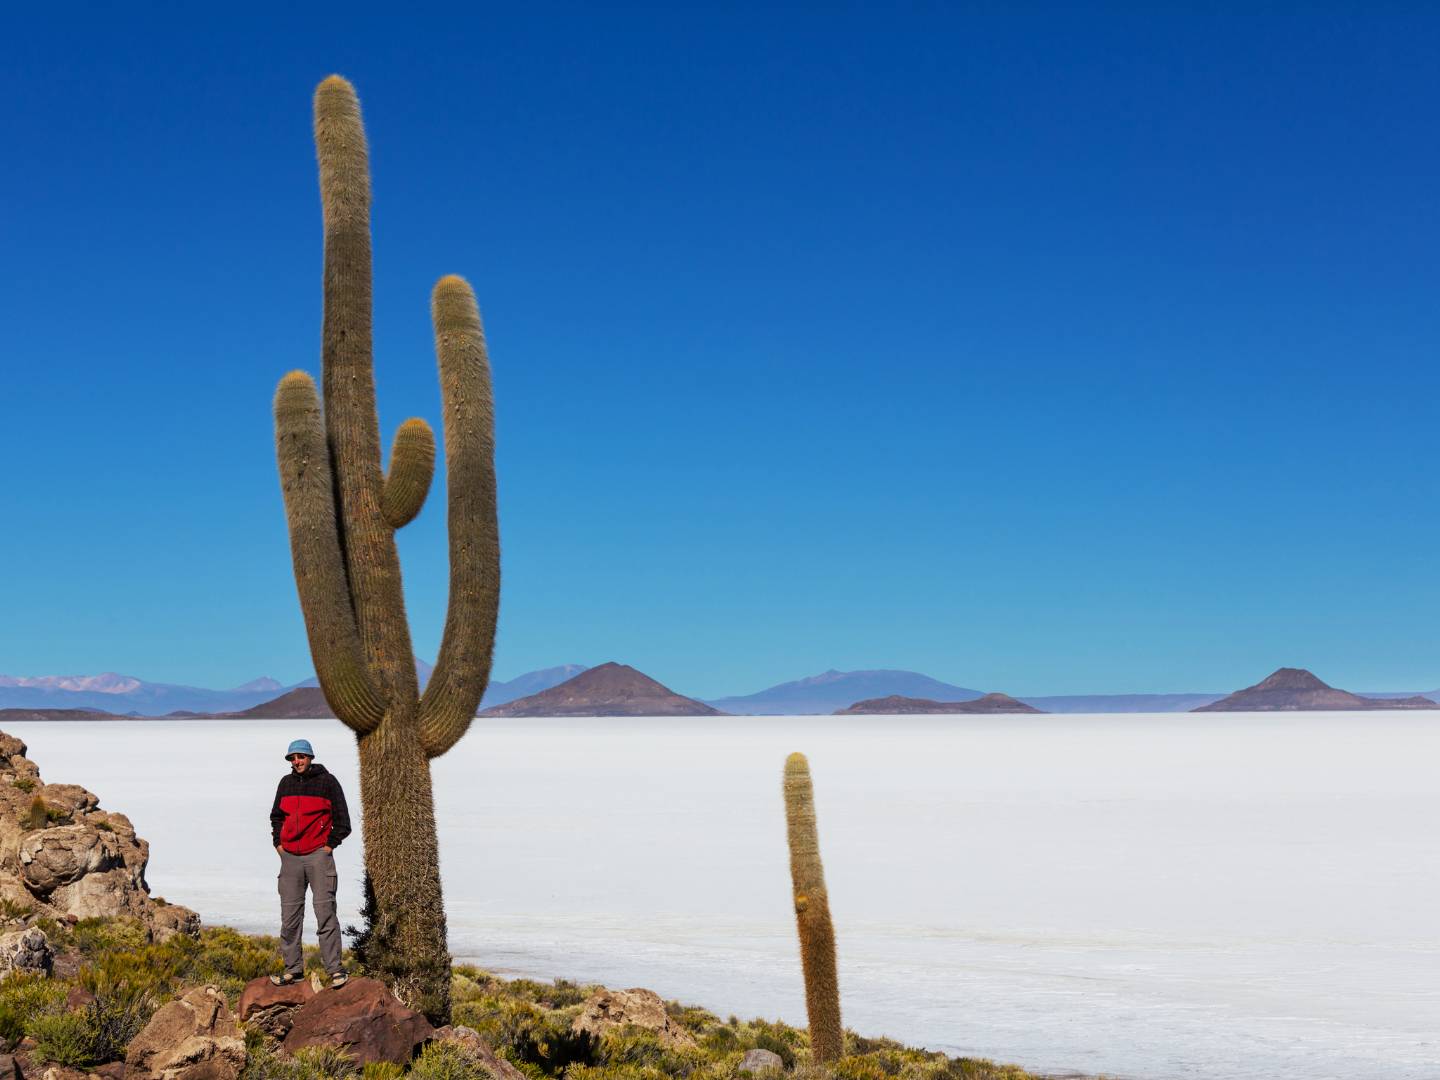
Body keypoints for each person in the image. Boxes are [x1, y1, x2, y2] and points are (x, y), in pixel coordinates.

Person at [268, 738, 351, 987]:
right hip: (290, 858)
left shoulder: (328, 782)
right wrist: (279, 844)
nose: (297, 762)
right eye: (293, 758)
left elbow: (343, 820)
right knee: (290, 917)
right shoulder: (286, 783)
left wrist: (328, 846)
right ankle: (293, 970)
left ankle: (335, 970)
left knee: (325, 913)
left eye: (301, 757)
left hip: (318, 855)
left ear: (310, 757)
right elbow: (276, 816)